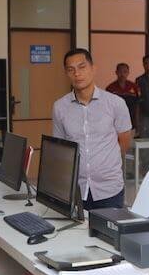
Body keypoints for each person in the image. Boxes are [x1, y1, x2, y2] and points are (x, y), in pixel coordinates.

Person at [53, 48, 133, 210]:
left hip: (109, 189)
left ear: (93, 69)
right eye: (71, 69)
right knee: (76, 228)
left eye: (82, 67)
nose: (77, 74)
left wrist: (104, 165)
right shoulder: (60, 107)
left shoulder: (115, 103)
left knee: (108, 227)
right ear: (67, 74)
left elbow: (124, 143)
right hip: (76, 189)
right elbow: (61, 147)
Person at [106, 62, 140, 130]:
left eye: (125, 72)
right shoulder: (110, 88)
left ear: (128, 73)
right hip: (115, 123)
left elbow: (137, 105)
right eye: (120, 72)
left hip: (131, 122)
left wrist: (137, 123)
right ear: (116, 72)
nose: (122, 74)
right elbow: (107, 108)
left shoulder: (134, 87)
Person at [136, 54, 149, 138]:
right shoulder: (140, 80)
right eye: (146, 63)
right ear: (143, 65)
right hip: (145, 115)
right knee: (145, 140)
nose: (148, 65)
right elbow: (138, 100)